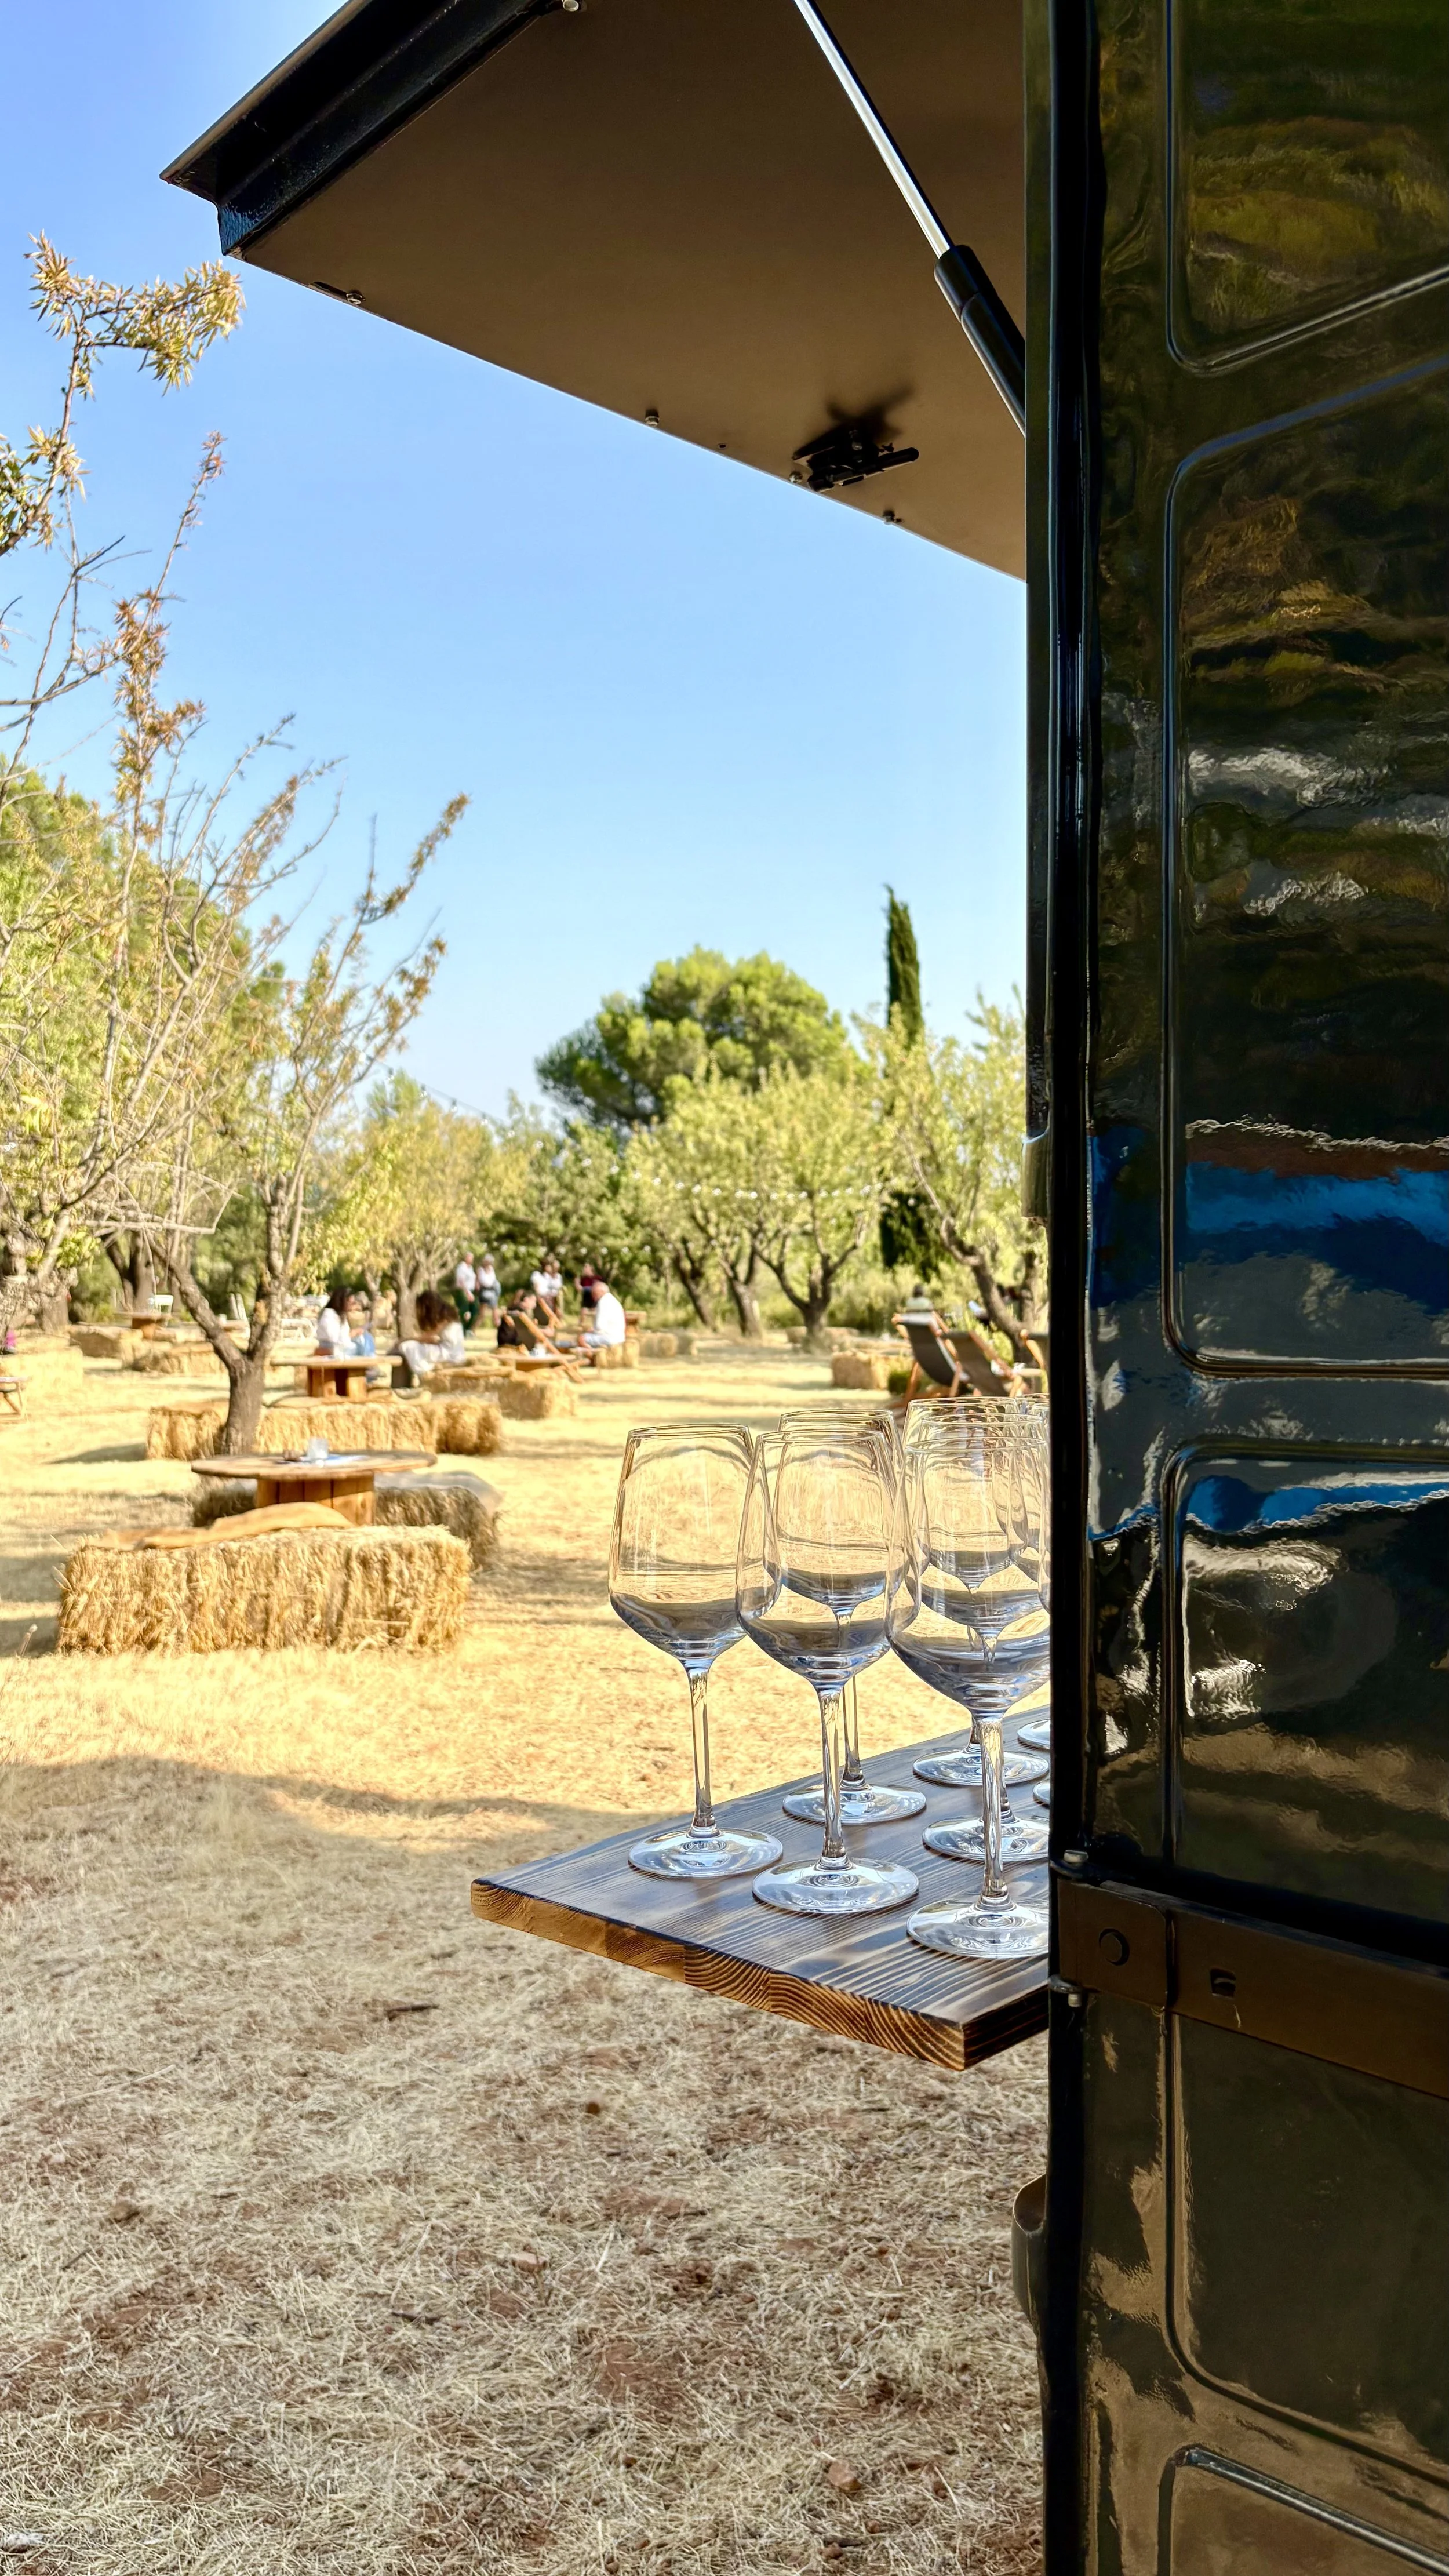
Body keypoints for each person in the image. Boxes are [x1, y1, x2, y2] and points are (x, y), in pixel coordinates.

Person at [580, 1275, 627, 1354]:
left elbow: (599, 1327)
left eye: (594, 1293)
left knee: (581, 1338)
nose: (593, 1297)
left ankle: (591, 1354)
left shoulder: (602, 1302)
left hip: (610, 1338)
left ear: (600, 1292)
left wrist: (592, 1330)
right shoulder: (613, 1300)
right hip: (620, 1337)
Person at [531, 1251, 565, 1323]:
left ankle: (554, 1320)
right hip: (542, 1296)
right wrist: (539, 1296)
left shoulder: (549, 1276)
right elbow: (536, 1287)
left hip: (549, 1296)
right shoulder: (537, 1274)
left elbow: (554, 1287)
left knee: (554, 1301)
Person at [453, 1253, 477, 1330]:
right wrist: (468, 1292)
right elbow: (461, 1281)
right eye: (470, 1258)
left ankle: (467, 1328)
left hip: (471, 1291)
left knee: (474, 1309)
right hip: (463, 1291)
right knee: (464, 1310)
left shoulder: (470, 1268)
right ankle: (462, 1329)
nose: (472, 1260)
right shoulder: (462, 1267)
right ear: (466, 1258)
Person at [474, 1253, 500, 1318]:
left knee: (495, 1309)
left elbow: (494, 1280)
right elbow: (477, 1281)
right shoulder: (480, 1269)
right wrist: (477, 1288)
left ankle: (497, 1322)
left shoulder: (491, 1269)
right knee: (482, 1313)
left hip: (492, 1290)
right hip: (484, 1290)